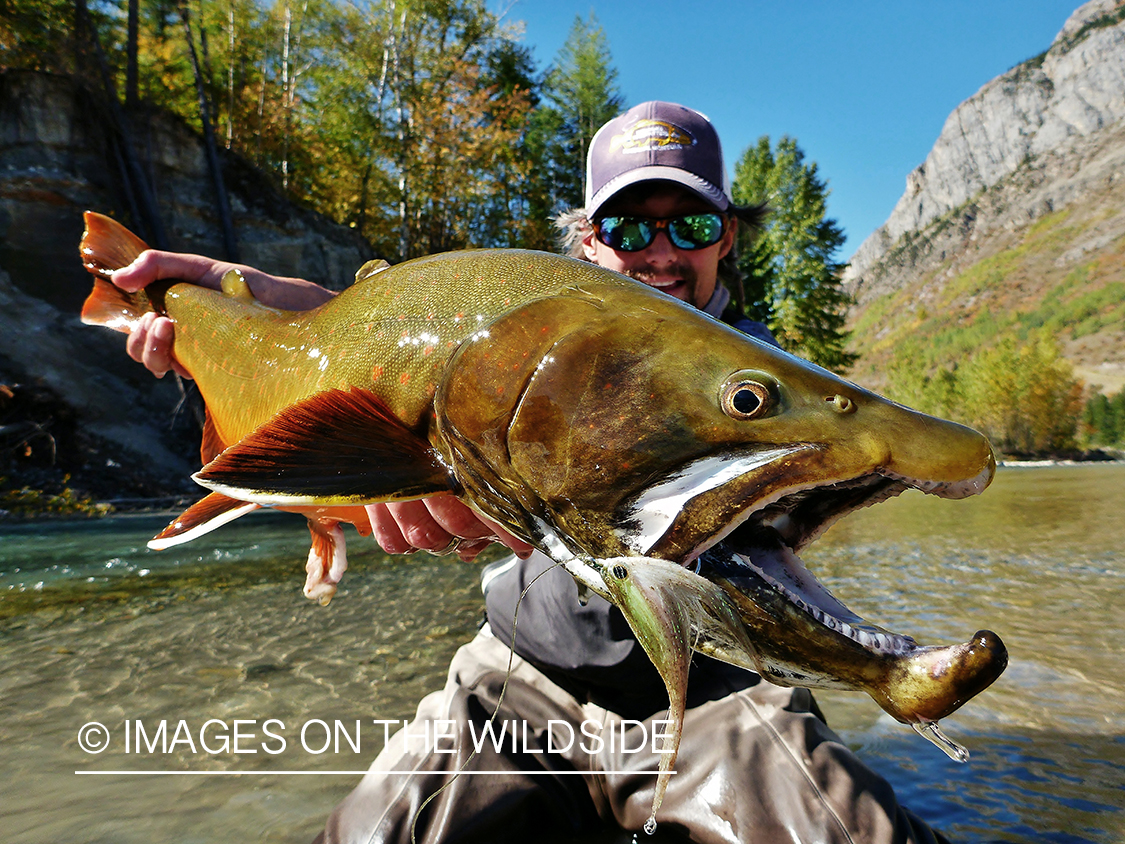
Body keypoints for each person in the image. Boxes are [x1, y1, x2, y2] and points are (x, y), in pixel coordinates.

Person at [113, 101, 949, 844]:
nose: (659, 252)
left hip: (713, 698)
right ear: (587, 240)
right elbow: (393, 338)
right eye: (628, 229)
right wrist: (243, 302)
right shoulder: (525, 333)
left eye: (688, 227)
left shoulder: (769, 398)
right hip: (518, 676)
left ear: (725, 237)